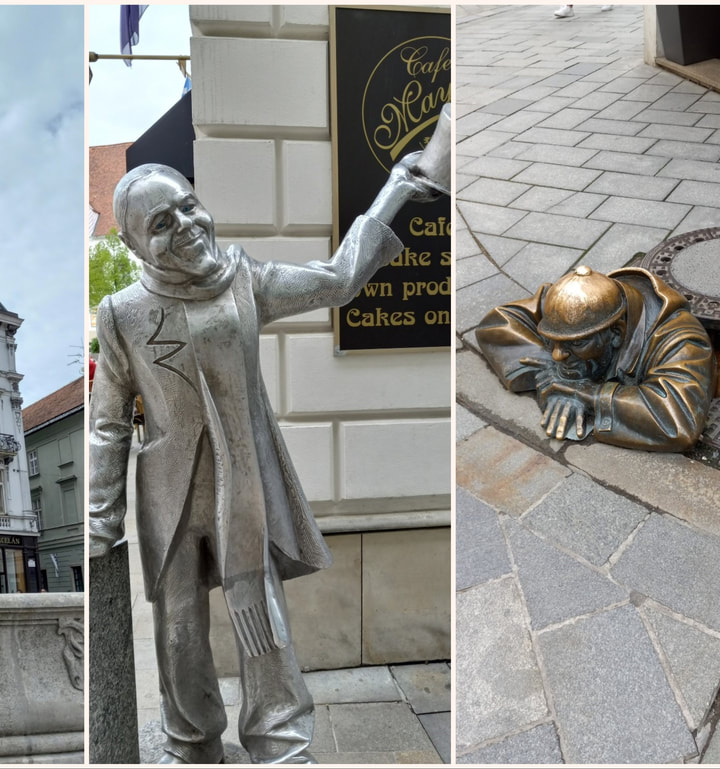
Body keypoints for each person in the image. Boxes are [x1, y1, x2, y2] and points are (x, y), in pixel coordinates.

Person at [89, 159, 437, 764]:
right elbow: (107, 421)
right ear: (133, 243)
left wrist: (396, 190)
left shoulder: (244, 280)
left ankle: (281, 744)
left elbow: (337, 279)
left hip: (242, 490)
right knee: (178, 636)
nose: (189, 225)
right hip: (167, 498)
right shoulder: (121, 312)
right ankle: (192, 745)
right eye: (163, 223)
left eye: (190, 205)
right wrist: (100, 516)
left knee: (263, 623)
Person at [476, 265, 715, 452]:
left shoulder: (681, 340)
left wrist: (587, 393)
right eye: (552, 341)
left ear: (616, 334)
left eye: (577, 343)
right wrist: (550, 368)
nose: (558, 354)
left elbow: (679, 422)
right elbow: (498, 323)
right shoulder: (570, 305)